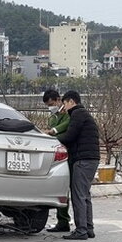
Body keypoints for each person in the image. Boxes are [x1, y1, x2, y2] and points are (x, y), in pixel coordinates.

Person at [57, 90, 100, 240]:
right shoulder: (85, 114)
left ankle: (81, 230)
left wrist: (53, 138)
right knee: (85, 195)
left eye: (64, 104)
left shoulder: (77, 114)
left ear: (71, 102)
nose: (64, 107)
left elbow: (69, 137)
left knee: (78, 196)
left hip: (83, 160)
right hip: (92, 159)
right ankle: (89, 228)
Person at [42, 89, 71, 232]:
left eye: (51, 104)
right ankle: (62, 220)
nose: (50, 107)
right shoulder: (52, 116)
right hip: (57, 153)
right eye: (48, 105)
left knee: (66, 190)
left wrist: (53, 131)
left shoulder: (67, 113)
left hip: (68, 153)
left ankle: (65, 220)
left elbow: (66, 126)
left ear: (58, 100)